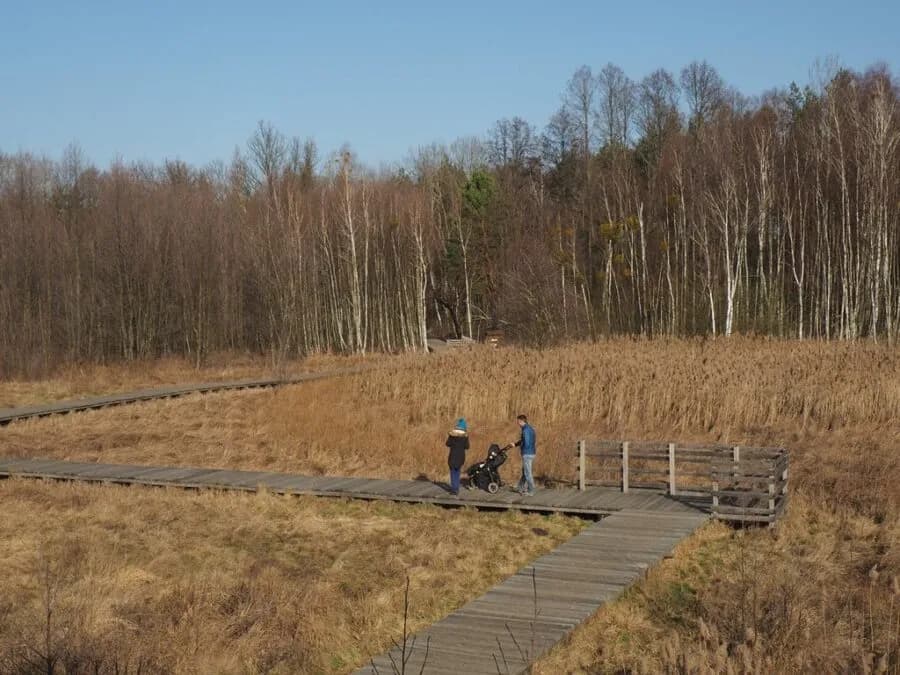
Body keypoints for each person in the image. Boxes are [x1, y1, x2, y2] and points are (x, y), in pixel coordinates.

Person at [445, 418, 469, 496]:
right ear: (464, 427)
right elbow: (467, 446)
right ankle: (456, 488)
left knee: (452, 472)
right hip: (461, 456)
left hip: (452, 455)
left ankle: (454, 489)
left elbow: (447, 444)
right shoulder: (465, 436)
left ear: (457, 426)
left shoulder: (452, 435)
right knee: (457, 472)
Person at [513, 414, 536, 496]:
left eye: (518, 422)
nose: (518, 423)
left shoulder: (525, 430)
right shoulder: (530, 428)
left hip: (527, 453)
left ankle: (531, 491)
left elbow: (526, 442)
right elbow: (524, 440)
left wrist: (523, 449)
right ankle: (520, 487)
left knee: (527, 473)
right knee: (525, 472)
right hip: (531, 452)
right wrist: (515, 444)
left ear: (521, 421)